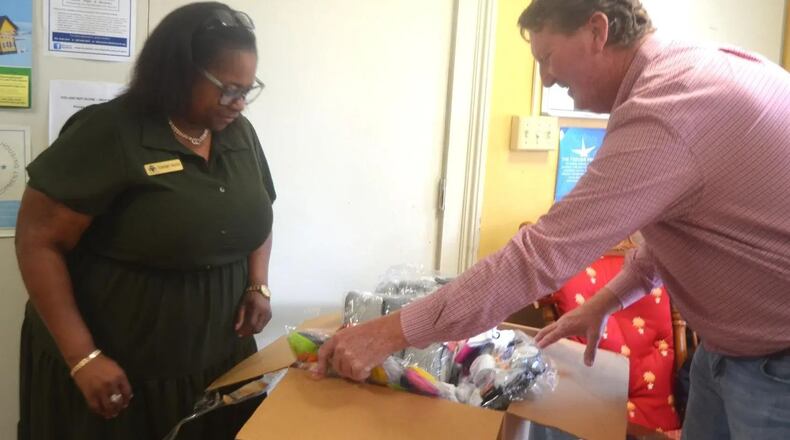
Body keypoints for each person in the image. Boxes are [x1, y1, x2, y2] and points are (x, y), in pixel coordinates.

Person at [316, 0, 790, 438]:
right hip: (727, 351)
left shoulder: (670, 105)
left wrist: (389, 333)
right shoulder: (676, 74)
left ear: (597, 31)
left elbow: (538, 255)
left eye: (547, 57)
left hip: (776, 366)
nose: (544, 79)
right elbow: (686, 231)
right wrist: (605, 301)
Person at [15, 3, 276, 439]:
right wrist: (82, 357)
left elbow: (259, 214)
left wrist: (257, 284)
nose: (239, 103)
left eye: (247, 89)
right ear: (177, 72)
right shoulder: (109, 132)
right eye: (228, 89)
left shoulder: (238, 134)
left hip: (219, 360)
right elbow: (37, 240)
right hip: (122, 371)